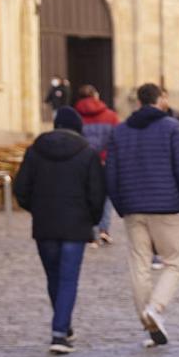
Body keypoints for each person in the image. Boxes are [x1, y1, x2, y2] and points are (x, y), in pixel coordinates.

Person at [105, 83, 179, 347]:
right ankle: (155, 308)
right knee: (175, 262)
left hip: (133, 207)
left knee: (139, 265)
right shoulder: (172, 128)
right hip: (168, 207)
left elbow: (111, 172)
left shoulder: (120, 131)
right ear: (160, 100)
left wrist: (121, 205)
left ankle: (149, 323)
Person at [13, 107, 106, 354]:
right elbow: (97, 193)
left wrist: (36, 209)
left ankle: (63, 324)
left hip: (45, 225)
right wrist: (92, 220)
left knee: (54, 277)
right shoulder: (87, 153)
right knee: (68, 278)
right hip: (76, 225)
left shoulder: (35, 152)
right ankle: (59, 331)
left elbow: (21, 189)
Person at [75, 84, 120, 246]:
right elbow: (116, 140)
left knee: (86, 195)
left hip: (84, 162)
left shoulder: (76, 117)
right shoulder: (111, 116)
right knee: (106, 196)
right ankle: (104, 229)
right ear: (96, 96)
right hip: (105, 161)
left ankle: (90, 232)